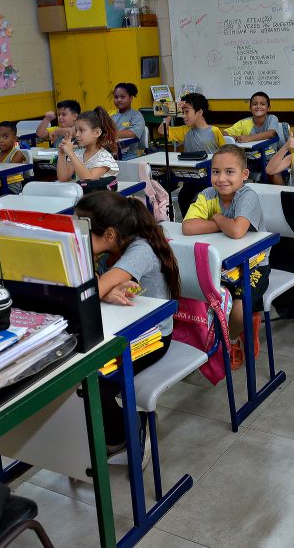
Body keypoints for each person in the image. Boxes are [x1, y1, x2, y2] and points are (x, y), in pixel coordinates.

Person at [73, 190, 181, 459]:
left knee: (94, 380)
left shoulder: (140, 250)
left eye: (83, 233)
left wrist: (102, 291)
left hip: (152, 336)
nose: (76, 239)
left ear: (109, 234)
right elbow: (93, 290)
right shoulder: (109, 247)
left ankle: (128, 430)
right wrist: (105, 292)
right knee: (73, 369)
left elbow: (90, 292)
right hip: (121, 327)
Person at [182, 145, 269, 368]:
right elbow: (188, 227)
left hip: (253, 265)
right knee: (195, 298)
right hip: (222, 266)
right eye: (216, 172)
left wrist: (218, 218)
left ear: (244, 174)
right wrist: (222, 224)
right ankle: (215, 338)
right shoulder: (208, 195)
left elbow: (237, 230)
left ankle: (232, 340)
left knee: (238, 310)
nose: (221, 179)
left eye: (230, 172)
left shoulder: (247, 195)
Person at [160, 92, 226, 215]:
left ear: (199, 112)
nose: (183, 116)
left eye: (187, 112)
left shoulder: (214, 131)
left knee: (205, 201)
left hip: (210, 178)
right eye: (182, 112)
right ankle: (188, 221)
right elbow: (161, 130)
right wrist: (171, 112)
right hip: (190, 177)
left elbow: (226, 155)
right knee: (183, 197)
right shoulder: (185, 130)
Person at [56, 107, 120, 182]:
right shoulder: (78, 154)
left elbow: (88, 180)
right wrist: (62, 154)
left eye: (81, 130)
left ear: (97, 133)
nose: (77, 134)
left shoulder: (105, 158)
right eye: (76, 130)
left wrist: (70, 153)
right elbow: (63, 178)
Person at [0, 121, 28, 194]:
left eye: (5, 137)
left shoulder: (17, 154)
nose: (0, 140)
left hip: (11, 189)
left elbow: (7, 174)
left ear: (14, 139)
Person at [111, 82, 146, 161]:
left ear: (131, 98)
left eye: (123, 97)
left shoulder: (136, 116)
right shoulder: (111, 115)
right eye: (116, 97)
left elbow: (133, 133)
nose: (119, 100)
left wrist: (110, 134)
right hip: (112, 153)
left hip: (130, 154)